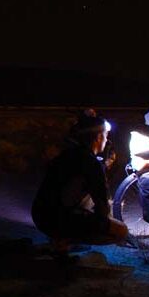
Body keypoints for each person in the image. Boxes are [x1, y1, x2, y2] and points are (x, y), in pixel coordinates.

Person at [31, 109, 129, 257]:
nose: (107, 140)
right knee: (121, 231)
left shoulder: (67, 154)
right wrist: (106, 220)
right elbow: (102, 206)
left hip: (40, 215)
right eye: (105, 136)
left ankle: (62, 237)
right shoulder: (92, 163)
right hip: (57, 220)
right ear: (98, 137)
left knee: (86, 202)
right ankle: (66, 239)